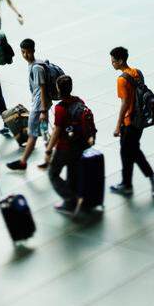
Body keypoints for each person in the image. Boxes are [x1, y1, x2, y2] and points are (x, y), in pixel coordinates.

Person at [108, 46, 154, 197]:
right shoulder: (137, 72)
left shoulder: (121, 80)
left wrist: (118, 125)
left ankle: (132, 183)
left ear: (120, 61)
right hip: (141, 120)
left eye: (113, 61)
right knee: (132, 150)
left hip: (129, 122)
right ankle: (131, 182)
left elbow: (125, 103)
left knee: (127, 152)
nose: (112, 64)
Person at [43, 75, 94, 216]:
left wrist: (48, 150)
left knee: (53, 174)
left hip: (65, 147)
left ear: (58, 90)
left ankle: (70, 200)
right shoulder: (79, 101)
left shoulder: (60, 108)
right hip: (80, 145)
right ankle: (76, 201)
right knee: (72, 173)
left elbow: (57, 131)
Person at [6, 39, 52, 171]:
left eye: (27, 52)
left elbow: (42, 88)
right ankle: (49, 160)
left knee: (32, 134)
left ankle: (23, 162)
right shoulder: (36, 64)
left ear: (33, 50)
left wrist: (43, 111)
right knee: (44, 133)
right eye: (23, 52)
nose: (25, 55)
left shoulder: (36, 67)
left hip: (38, 108)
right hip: (42, 106)